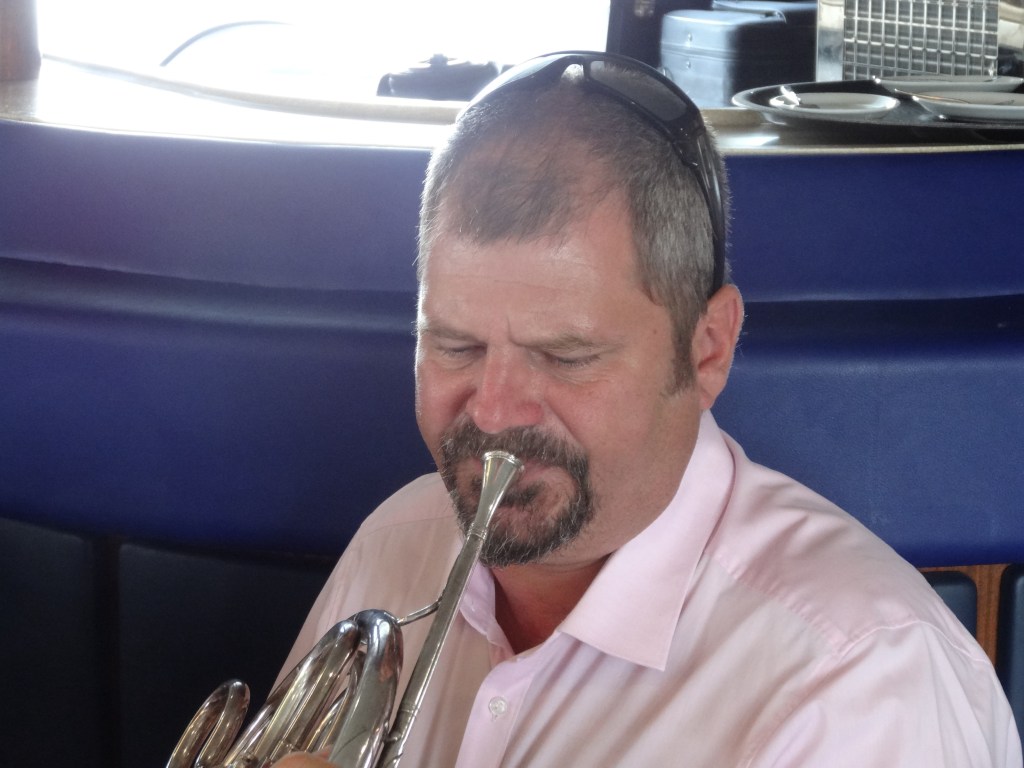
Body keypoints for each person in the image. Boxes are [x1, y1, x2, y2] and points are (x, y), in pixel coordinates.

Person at [272, 52, 1021, 767]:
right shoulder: (394, 543)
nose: (493, 414)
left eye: (566, 356)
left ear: (707, 350)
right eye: (456, 346)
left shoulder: (863, 681)